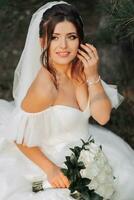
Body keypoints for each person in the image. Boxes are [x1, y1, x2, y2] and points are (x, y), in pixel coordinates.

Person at [0, 1, 134, 199]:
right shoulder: (44, 87)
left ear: (80, 40)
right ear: (43, 43)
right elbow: (19, 138)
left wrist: (92, 76)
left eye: (71, 37)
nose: (63, 46)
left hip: (84, 152)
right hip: (50, 160)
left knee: (126, 178)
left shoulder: (81, 70)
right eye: (55, 38)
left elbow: (102, 116)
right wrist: (52, 170)